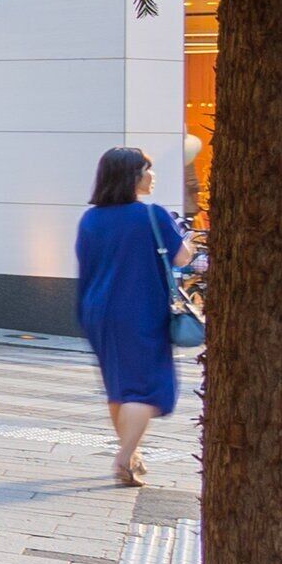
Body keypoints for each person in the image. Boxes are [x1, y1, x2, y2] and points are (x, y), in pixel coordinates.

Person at [75, 145, 188, 488]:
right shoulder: (152, 215)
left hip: (96, 311)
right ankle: (124, 458)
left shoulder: (90, 219)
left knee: (119, 386)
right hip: (139, 310)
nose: (152, 175)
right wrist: (190, 242)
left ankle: (132, 454)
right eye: (146, 169)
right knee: (146, 389)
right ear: (132, 176)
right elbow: (182, 259)